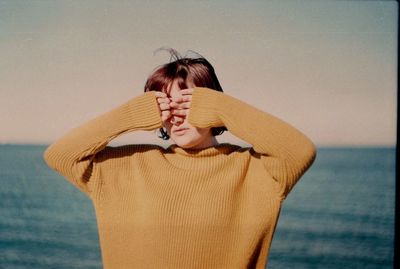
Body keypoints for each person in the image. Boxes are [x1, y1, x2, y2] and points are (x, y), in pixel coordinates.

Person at [44, 49, 316, 269]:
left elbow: (299, 151)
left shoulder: (256, 171)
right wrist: (130, 115)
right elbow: (60, 155)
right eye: (166, 105)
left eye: (188, 103)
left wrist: (221, 107)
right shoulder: (127, 165)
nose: (177, 114)